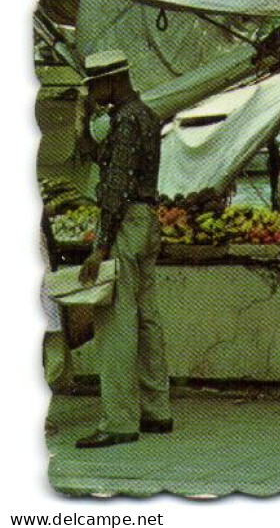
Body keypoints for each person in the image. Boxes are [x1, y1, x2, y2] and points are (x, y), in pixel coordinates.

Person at [73, 50, 173, 449]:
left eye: (95, 86)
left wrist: (100, 247)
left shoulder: (125, 121)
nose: (94, 94)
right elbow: (110, 163)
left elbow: (115, 188)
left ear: (111, 81)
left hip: (126, 223)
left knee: (115, 323)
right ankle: (157, 410)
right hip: (147, 221)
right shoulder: (146, 115)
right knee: (148, 319)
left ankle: (118, 421)